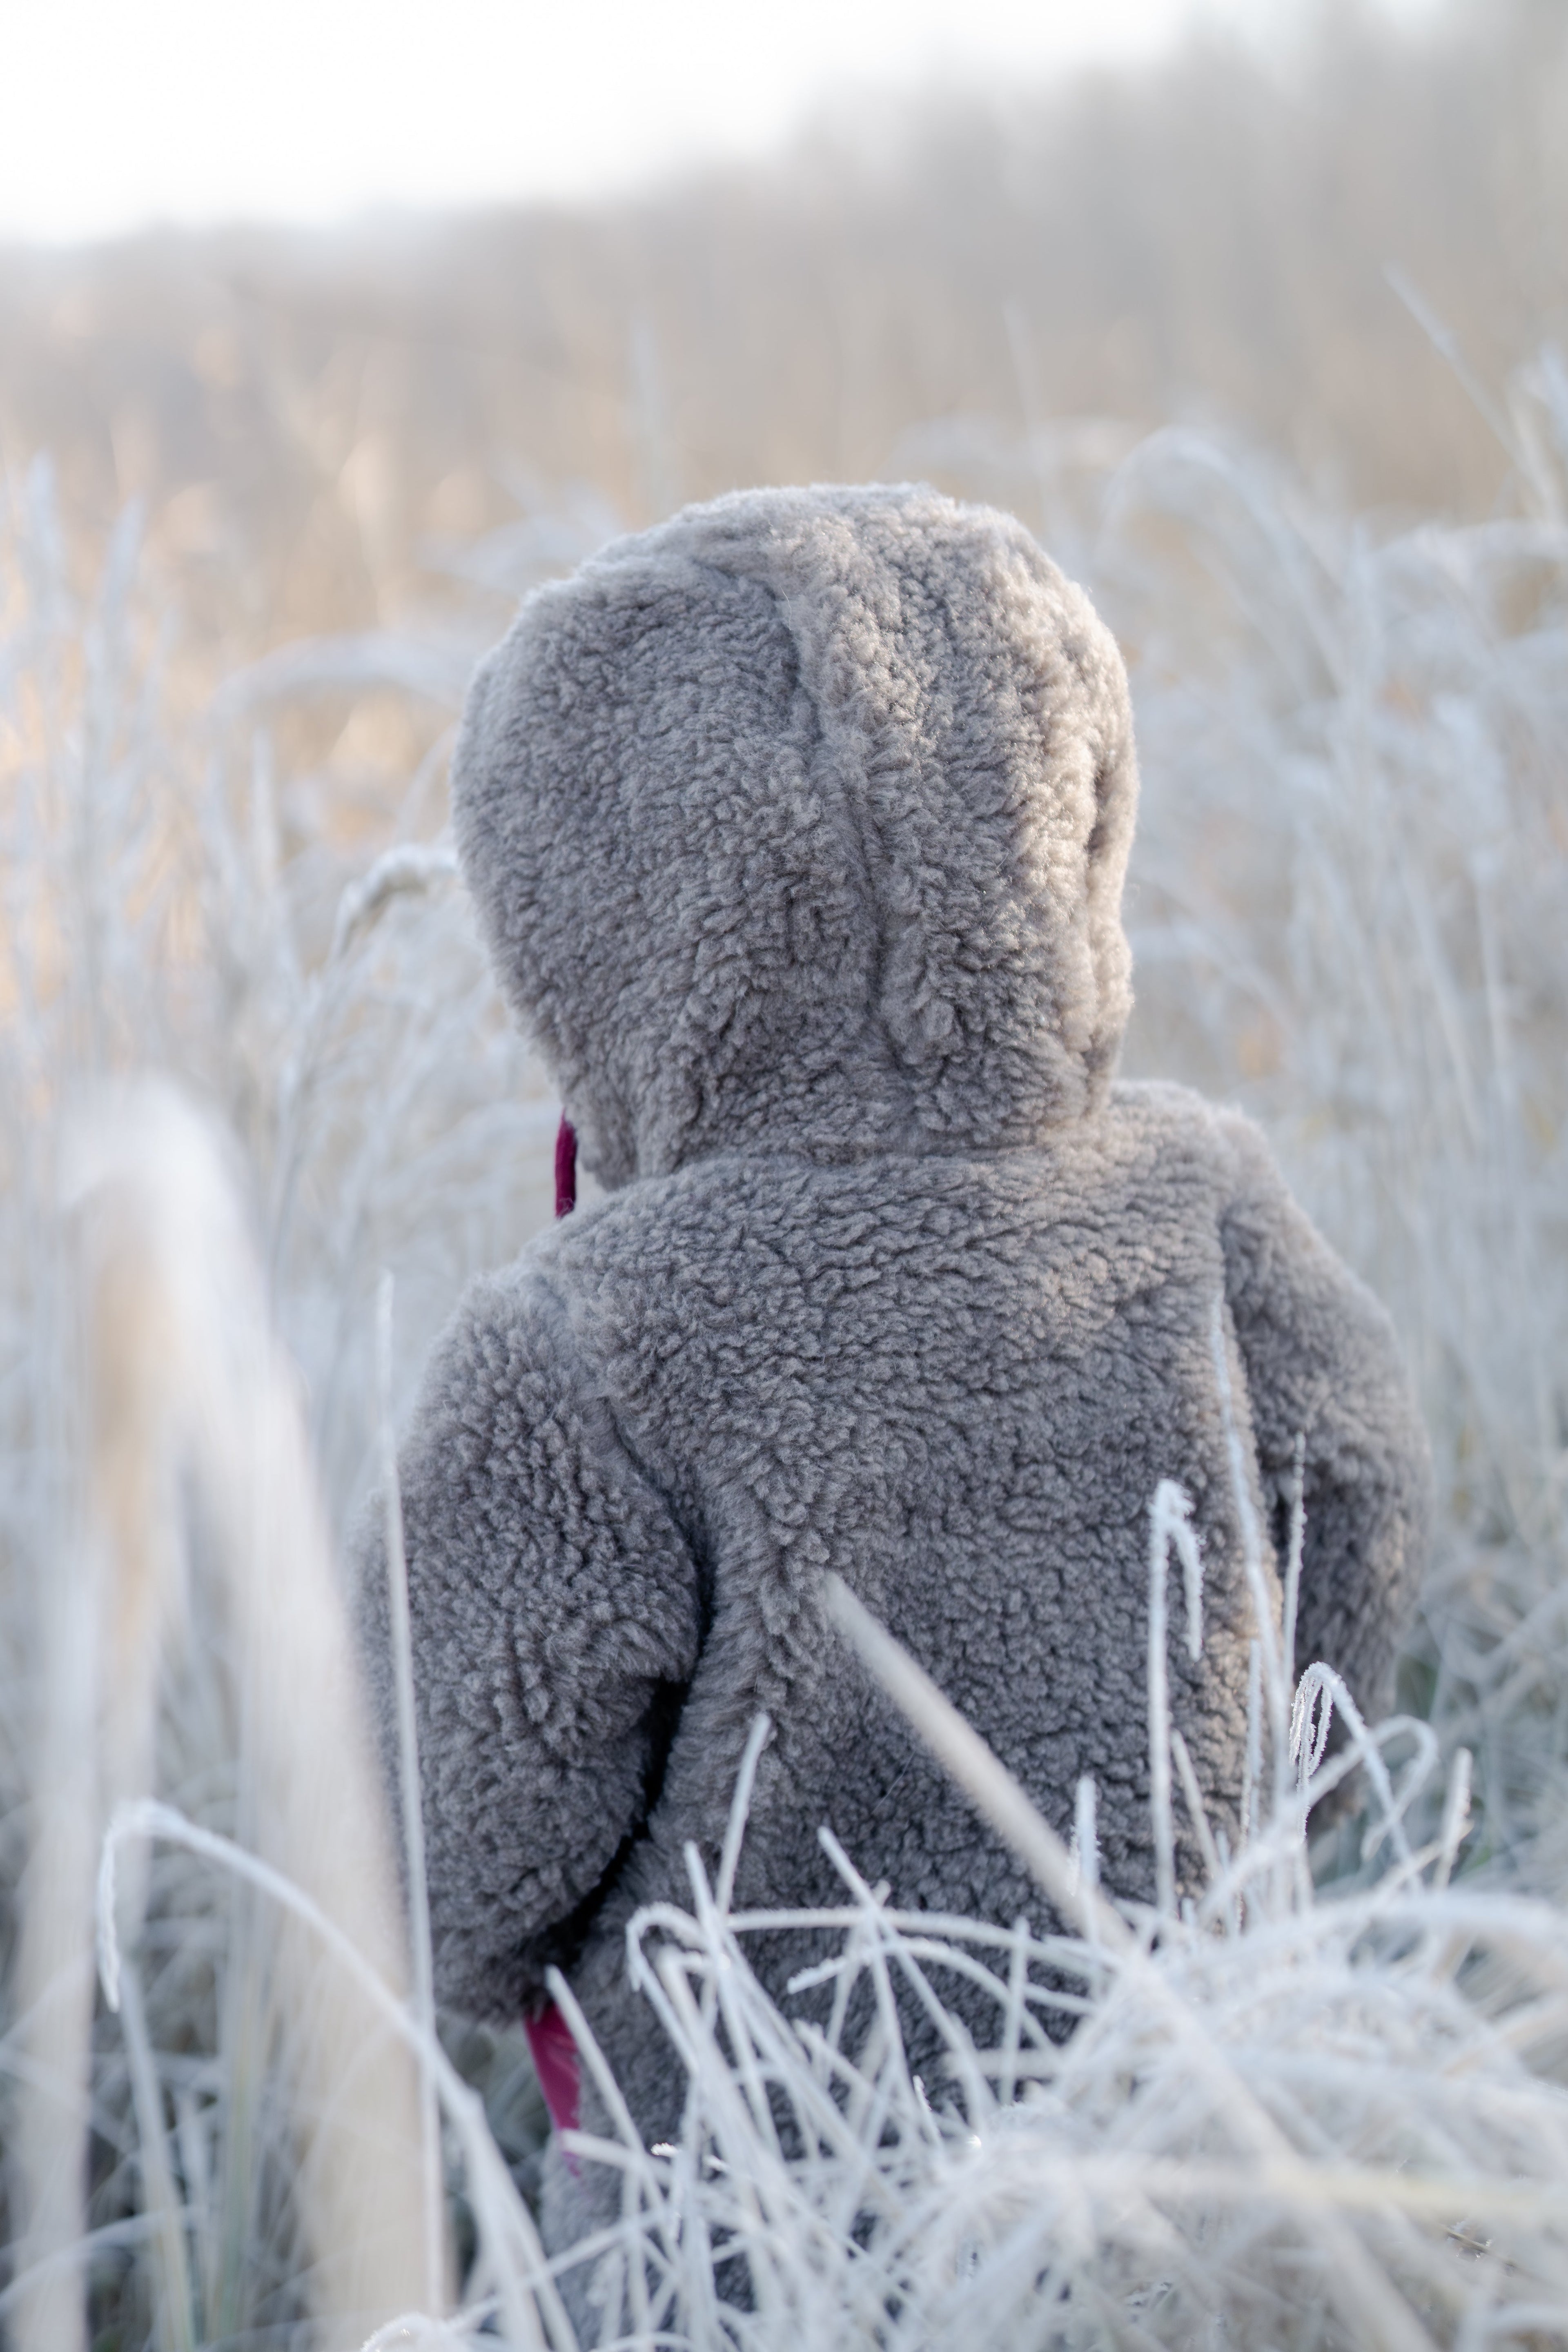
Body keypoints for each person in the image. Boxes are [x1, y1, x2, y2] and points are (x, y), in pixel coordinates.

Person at [355, 483, 1430, 2304]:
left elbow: (449, 1865)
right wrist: (1220, 1820)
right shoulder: (1211, 1213)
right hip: (1200, 2176)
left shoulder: (586, 1342)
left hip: (744, 2239)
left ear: (583, 911)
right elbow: (1360, 1525)